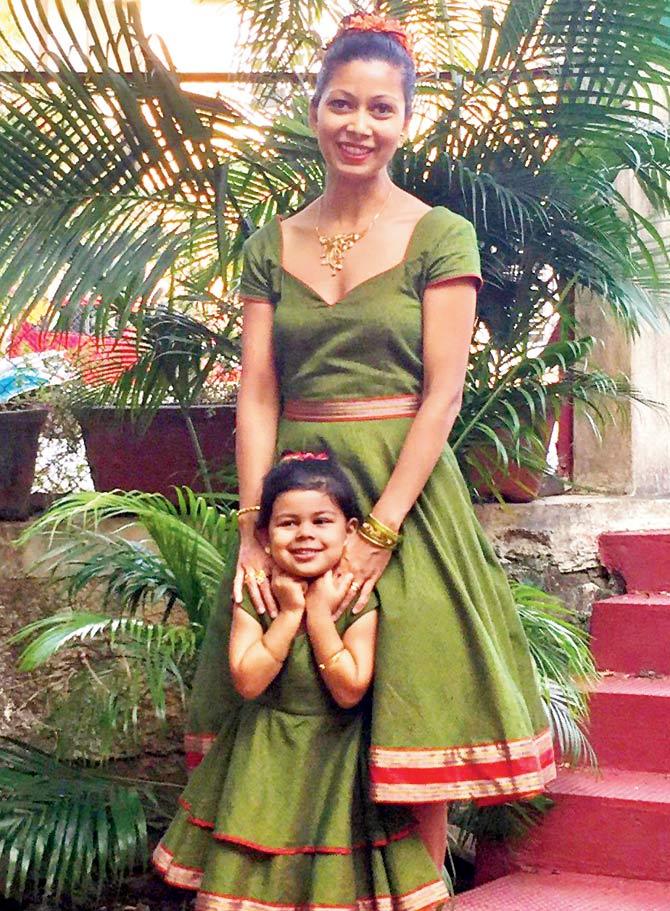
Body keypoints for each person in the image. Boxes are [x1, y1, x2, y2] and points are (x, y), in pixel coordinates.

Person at [186, 10, 556, 876]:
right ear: (314, 109)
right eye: (342, 104)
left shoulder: (440, 234)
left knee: (406, 702)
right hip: (297, 497)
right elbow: (259, 389)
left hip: (405, 489)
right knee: (295, 694)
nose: (360, 125)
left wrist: (382, 531)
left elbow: (444, 394)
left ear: (405, 119)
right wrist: (251, 525)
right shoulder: (270, 242)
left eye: (381, 109)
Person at [153, 451, 451, 909]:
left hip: (338, 764)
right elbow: (249, 682)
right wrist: (288, 613)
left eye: (321, 521)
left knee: (334, 872)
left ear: (350, 532)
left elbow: (350, 689)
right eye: (287, 523)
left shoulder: (356, 601)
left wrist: (317, 613)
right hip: (263, 758)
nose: (305, 534)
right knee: (259, 869)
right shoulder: (256, 598)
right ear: (264, 536)